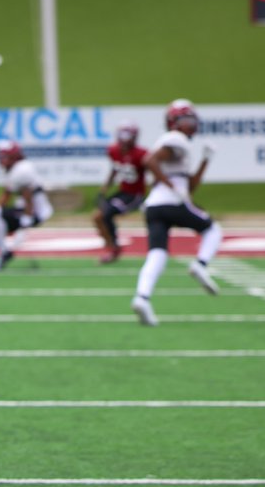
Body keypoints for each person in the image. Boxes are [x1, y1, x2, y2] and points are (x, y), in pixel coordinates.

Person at [131, 99, 222, 327]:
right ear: (174, 122)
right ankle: (200, 265)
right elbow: (149, 161)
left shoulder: (178, 144)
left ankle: (142, 298)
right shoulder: (175, 139)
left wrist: (205, 161)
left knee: (157, 254)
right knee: (212, 229)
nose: (191, 124)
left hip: (154, 206)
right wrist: (170, 186)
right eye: (186, 120)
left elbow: (189, 186)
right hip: (170, 202)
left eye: (192, 120)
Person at [0, 140, 51, 271]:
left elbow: (27, 194)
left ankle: (4, 253)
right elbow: (6, 194)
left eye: (4, 156)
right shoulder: (14, 169)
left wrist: (27, 217)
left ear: (13, 156)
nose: (0, 160)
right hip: (25, 209)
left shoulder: (22, 170)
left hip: (35, 212)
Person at [93, 120, 147, 264]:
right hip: (123, 192)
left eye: (127, 135)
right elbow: (116, 168)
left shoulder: (141, 154)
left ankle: (114, 248)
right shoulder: (114, 151)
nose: (123, 139)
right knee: (97, 217)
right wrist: (105, 187)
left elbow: (154, 170)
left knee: (107, 213)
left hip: (135, 195)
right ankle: (111, 246)